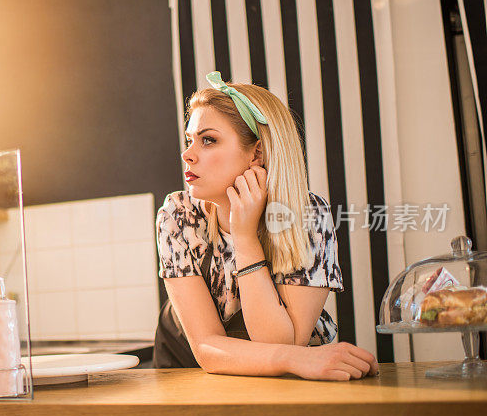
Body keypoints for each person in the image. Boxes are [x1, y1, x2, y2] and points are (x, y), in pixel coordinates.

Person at [154, 71, 378, 381]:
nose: (187, 155)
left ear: (256, 153)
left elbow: (283, 343)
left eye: (208, 140)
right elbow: (206, 348)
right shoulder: (177, 216)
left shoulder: (307, 215)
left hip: (283, 377)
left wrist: (245, 239)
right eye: (190, 140)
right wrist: (297, 358)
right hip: (188, 371)